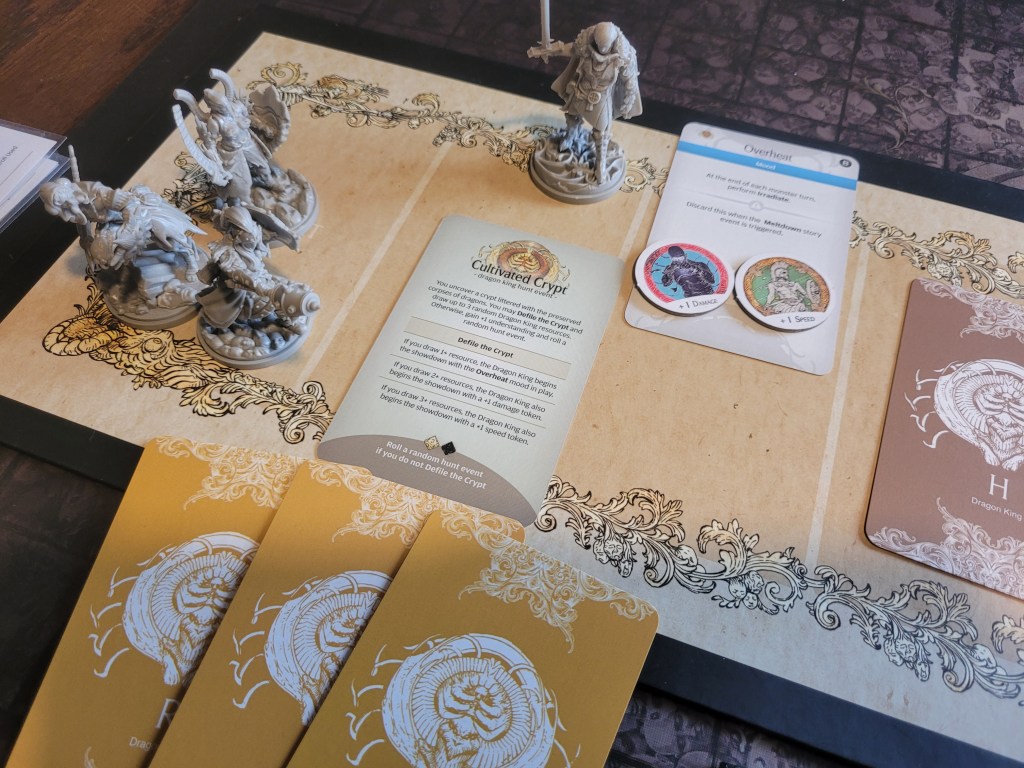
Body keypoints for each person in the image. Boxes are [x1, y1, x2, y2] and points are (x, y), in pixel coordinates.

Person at [530, 22, 642, 183]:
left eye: (605, 46)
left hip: (601, 99)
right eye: (599, 45)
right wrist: (551, 50)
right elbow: (570, 49)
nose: (601, 50)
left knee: (601, 133)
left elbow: (630, 81)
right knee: (572, 115)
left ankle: (600, 163)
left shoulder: (623, 57)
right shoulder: (586, 45)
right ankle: (571, 135)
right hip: (581, 91)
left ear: (613, 43)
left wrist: (628, 99)